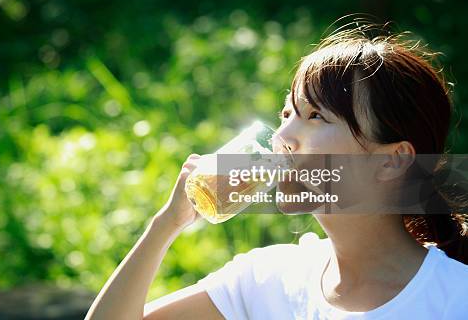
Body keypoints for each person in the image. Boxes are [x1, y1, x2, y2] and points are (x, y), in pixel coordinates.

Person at [85, 21, 468, 319]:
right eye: (286, 114)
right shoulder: (270, 279)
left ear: (392, 159)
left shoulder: (455, 300)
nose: (283, 135)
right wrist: (166, 225)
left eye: (315, 116)